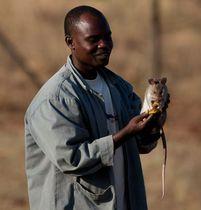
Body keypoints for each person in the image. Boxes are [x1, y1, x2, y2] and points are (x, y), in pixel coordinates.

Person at [24, 5, 169, 210]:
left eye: (107, 37)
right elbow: (74, 159)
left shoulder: (119, 88)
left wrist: (155, 121)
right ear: (70, 43)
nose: (104, 45)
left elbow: (142, 144)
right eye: (93, 40)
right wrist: (126, 133)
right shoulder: (55, 100)